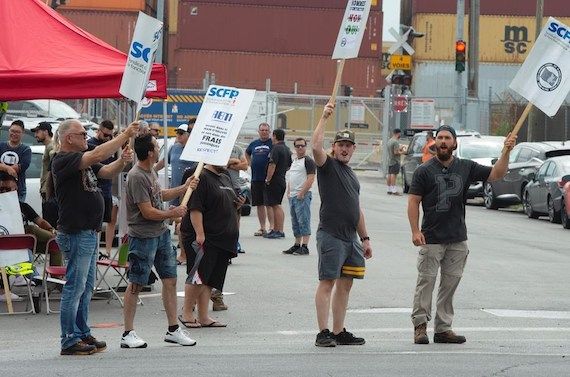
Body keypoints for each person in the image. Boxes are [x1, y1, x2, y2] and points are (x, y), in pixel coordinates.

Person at [407, 125, 516, 345]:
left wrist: (506, 152)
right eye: (440, 138)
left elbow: (496, 174)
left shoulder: (466, 167)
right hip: (431, 237)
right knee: (425, 283)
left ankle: (443, 329)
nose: (443, 141)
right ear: (434, 143)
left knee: (450, 285)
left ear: (455, 143)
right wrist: (415, 230)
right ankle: (420, 327)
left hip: (457, 238)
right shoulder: (424, 171)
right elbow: (413, 201)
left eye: (448, 138)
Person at [52, 119, 138, 356]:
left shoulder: (84, 158)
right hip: (76, 232)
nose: (85, 137)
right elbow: (98, 152)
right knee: (75, 286)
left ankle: (81, 332)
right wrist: (123, 135)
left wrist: (122, 160)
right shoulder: (63, 159)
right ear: (69, 137)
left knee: (86, 286)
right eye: (81, 133)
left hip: (88, 231)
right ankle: (69, 339)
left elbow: (107, 171)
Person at [121, 133, 198, 349]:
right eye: (156, 146)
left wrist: (184, 188)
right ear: (149, 152)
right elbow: (147, 212)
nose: (159, 149)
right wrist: (172, 214)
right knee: (136, 283)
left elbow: (158, 194)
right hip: (143, 237)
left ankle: (173, 329)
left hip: (161, 234)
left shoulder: (151, 171)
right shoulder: (136, 176)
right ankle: (128, 333)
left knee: (170, 280)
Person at [311, 103, 373, 347]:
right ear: (334, 148)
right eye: (341, 145)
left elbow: (356, 209)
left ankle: (338, 331)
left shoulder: (351, 175)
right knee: (327, 282)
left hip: (351, 239)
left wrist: (365, 238)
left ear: (353, 149)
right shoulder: (327, 166)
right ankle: (323, 332)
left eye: (348, 146)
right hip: (331, 236)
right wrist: (324, 118)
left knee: (345, 285)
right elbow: (315, 146)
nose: (344, 149)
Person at [178, 164, 244, 329]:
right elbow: (195, 208)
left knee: (210, 279)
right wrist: (200, 233)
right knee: (198, 276)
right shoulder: (201, 176)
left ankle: (203, 316)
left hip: (222, 239)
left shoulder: (225, 176)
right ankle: (187, 313)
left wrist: (237, 204)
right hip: (206, 237)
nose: (227, 162)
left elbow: (225, 202)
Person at [0, 172, 59, 264]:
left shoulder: (23, 207)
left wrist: (51, 229)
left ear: (15, 189)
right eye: (1, 189)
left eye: (7, 189)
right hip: (4, 243)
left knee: (55, 243)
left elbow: (40, 221)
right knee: (30, 230)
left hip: (24, 243)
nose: (4, 192)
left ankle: (56, 276)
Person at [87, 120, 117, 258]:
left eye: (110, 136)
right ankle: (93, 252)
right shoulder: (90, 145)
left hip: (107, 189)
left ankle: (106, 250)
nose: (108, 138)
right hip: (93, 190)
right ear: (98, 131)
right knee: (94, 224)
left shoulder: (111, 145)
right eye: (105, 135)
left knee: (109, 220)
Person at [282, 137, 315, 255]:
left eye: (302, 145)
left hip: (302, 196)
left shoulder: (308, 161)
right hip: (293, 196)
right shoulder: (294, 161)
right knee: (295, 222)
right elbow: (291, 177)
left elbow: (311, 178)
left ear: (306, 147)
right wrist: (289, 192)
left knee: (303, 220)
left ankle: (305, 246)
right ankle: (297, 244)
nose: (300, 148)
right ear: (294, 147)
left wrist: (302, 193)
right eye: (297, 146)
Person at [246, 123, 273, 237]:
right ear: (258, 131)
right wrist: (250, 163)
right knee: (259, 204)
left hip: (268, 179)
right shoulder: (254, 144)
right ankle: (262, 228)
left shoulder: (273, 144)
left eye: (266, 130)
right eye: (262, 130)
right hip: (256, 178)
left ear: (269, 131)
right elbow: (247, 153)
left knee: (269, 204)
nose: (264, 132)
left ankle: (272, 227)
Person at [264, 129, 292, 239]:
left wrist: (268, 179)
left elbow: (272, 165)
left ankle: (279, 230)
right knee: (276, 204)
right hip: (281, 179)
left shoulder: (276, 148)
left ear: (275, 136)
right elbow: (289, 165)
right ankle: (276, 229)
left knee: (276, 205)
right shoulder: (287, 149)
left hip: (275, 180)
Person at [0, 120, 31, 201]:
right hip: (1, 189)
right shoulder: (1, 146)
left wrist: (3, 166)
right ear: (9, 130)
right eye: (12, 131)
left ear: (22, 133)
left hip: (17, 190)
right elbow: (11, 170)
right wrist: (8, 168)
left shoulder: (26, 149)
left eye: (17, 132)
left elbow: (21, 167)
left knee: (16, 213)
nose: (14, 134)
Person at [386, 128, 403, 196]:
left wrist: (399, 149)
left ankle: (389, 189)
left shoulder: (390, 141)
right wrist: (402, 152)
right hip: (395, 160)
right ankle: (394, 190)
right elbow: (396, 152)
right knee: (394, 174)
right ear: (398, 133)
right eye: (400, 134)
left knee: (390, 174)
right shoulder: (395, 142)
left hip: (390, 160)